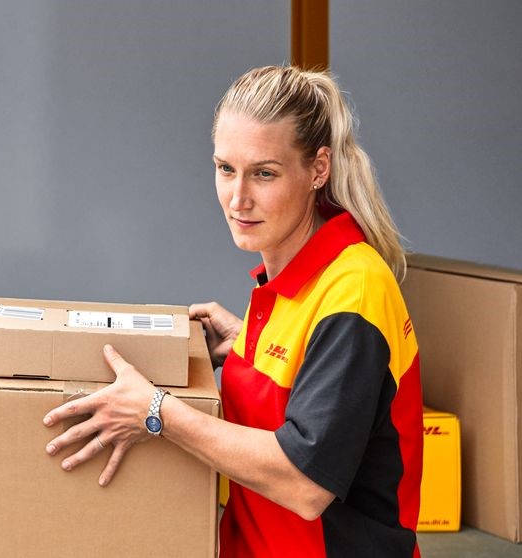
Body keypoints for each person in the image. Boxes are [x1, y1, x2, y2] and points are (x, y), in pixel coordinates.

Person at [42, 65, 423, 558]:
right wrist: (249, 347)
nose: (238, 198)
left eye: (264, 173)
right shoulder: (293, 282)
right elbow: (306, 390)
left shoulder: (354, 292)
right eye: (226, 169)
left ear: (318, 169)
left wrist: (154, 412)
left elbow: (305, 483)